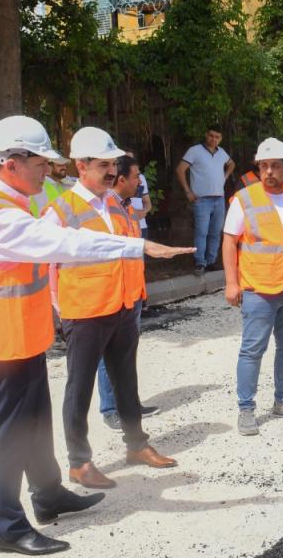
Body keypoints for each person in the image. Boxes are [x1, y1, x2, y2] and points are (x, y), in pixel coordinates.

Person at [0, 116, 190, 555]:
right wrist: (138, 246)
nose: (48, 172)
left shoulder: (9, 200)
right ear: (11, 162)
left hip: (21, 337)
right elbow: (68, 244)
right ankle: (9, 528)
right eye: (41, 163)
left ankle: (48, 495)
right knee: (7, 435)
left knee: (36, 422)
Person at [44, 128, 180, 492]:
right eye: (103, 164)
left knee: (126, 380)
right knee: (80, 387)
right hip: (84, 311)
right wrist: (57, 308)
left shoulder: (115, 203)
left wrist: (136, 297)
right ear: (80, 165)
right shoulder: (61, 209)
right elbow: (45, 262)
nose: (110, 171)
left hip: (122, 306)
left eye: (112, 164)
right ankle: (79, 463)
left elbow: (126, 249)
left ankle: (136, 445)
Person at [222, 138, 283, 436]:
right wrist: (231, 282)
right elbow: (229, 240)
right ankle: (246, 409)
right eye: (263, 166)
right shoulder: (245, 199)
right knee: (252, 350)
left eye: (275, 166)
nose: (268, 172)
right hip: (259, 289)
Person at [95, 154, 160, 432]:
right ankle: (110, 408)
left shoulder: (126, 207)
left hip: (131, 293)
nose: (139, 181)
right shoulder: (104, 210)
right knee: (106, 354)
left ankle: (128, 404)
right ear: (121, 180)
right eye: (135, 177)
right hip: (111, 295)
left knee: (126, 355)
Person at [176, 126, 234, 275]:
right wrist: (187, 191)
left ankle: (211, 261)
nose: (214, 139)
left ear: (220, 139)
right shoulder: (195, 150)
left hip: (219, 199)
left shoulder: (221, 152)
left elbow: (231, 164)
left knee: (215, 232)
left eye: (217, 137)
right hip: (202, 200)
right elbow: (180, 169)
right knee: (202, 232)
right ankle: (200, 262)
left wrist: (225, 177)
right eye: (211, 136)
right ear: (206, 135)